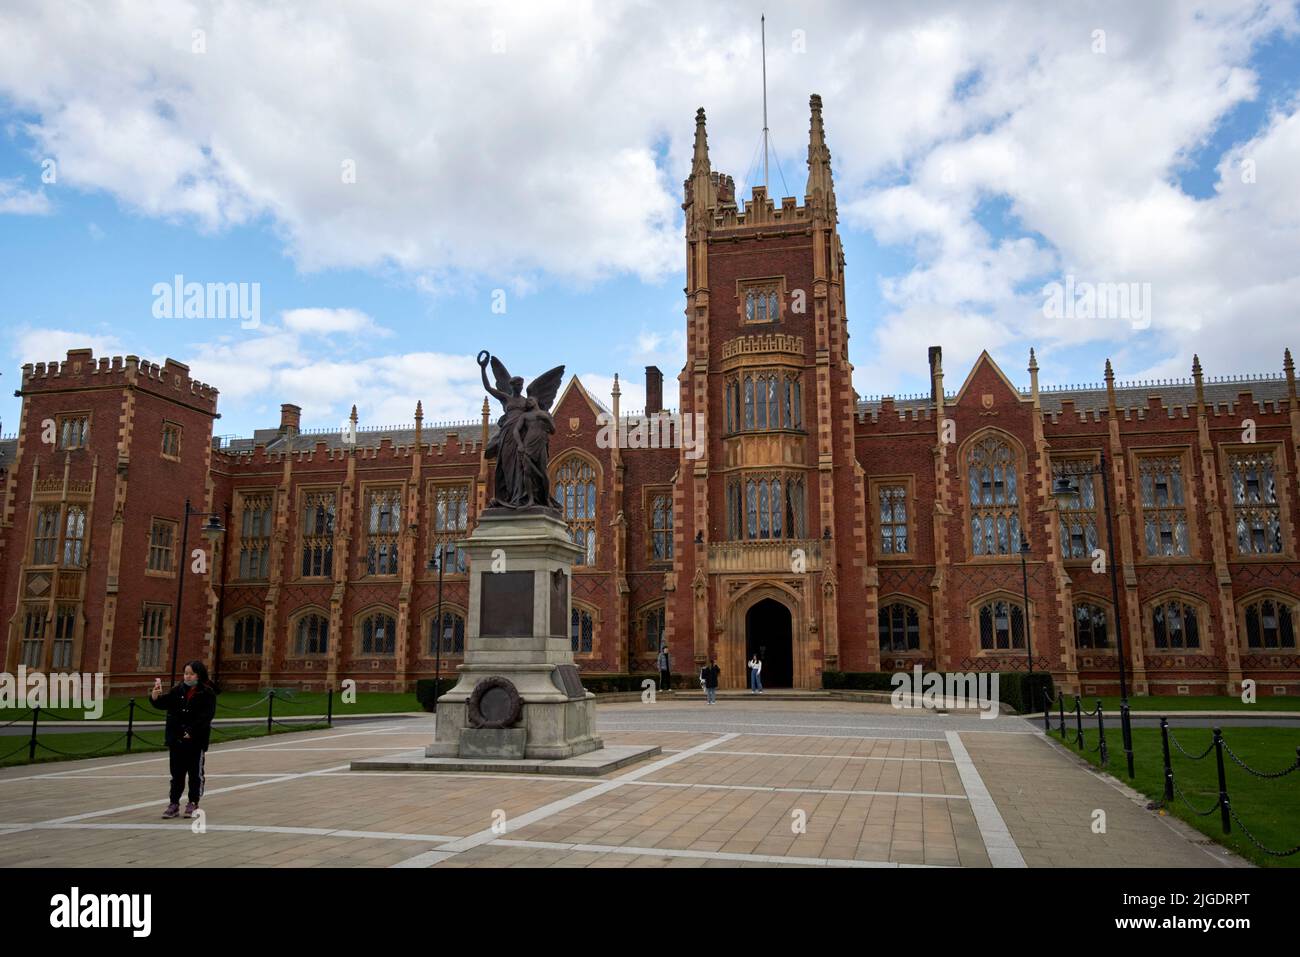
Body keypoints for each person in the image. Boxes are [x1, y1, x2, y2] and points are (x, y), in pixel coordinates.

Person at [150, 660, 217, 819]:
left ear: (199, 675)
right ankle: (174, 803)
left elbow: (206, 716)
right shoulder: (177, 691)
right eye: (186, 673)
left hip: (196, 740)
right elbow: (163, 704)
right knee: (177, 774)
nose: (188, 676)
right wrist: (154, 697)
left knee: (195, 773)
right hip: (177, 739)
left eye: (191, 673)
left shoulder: (207, 693)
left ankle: (193, 802)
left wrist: (191, 731)